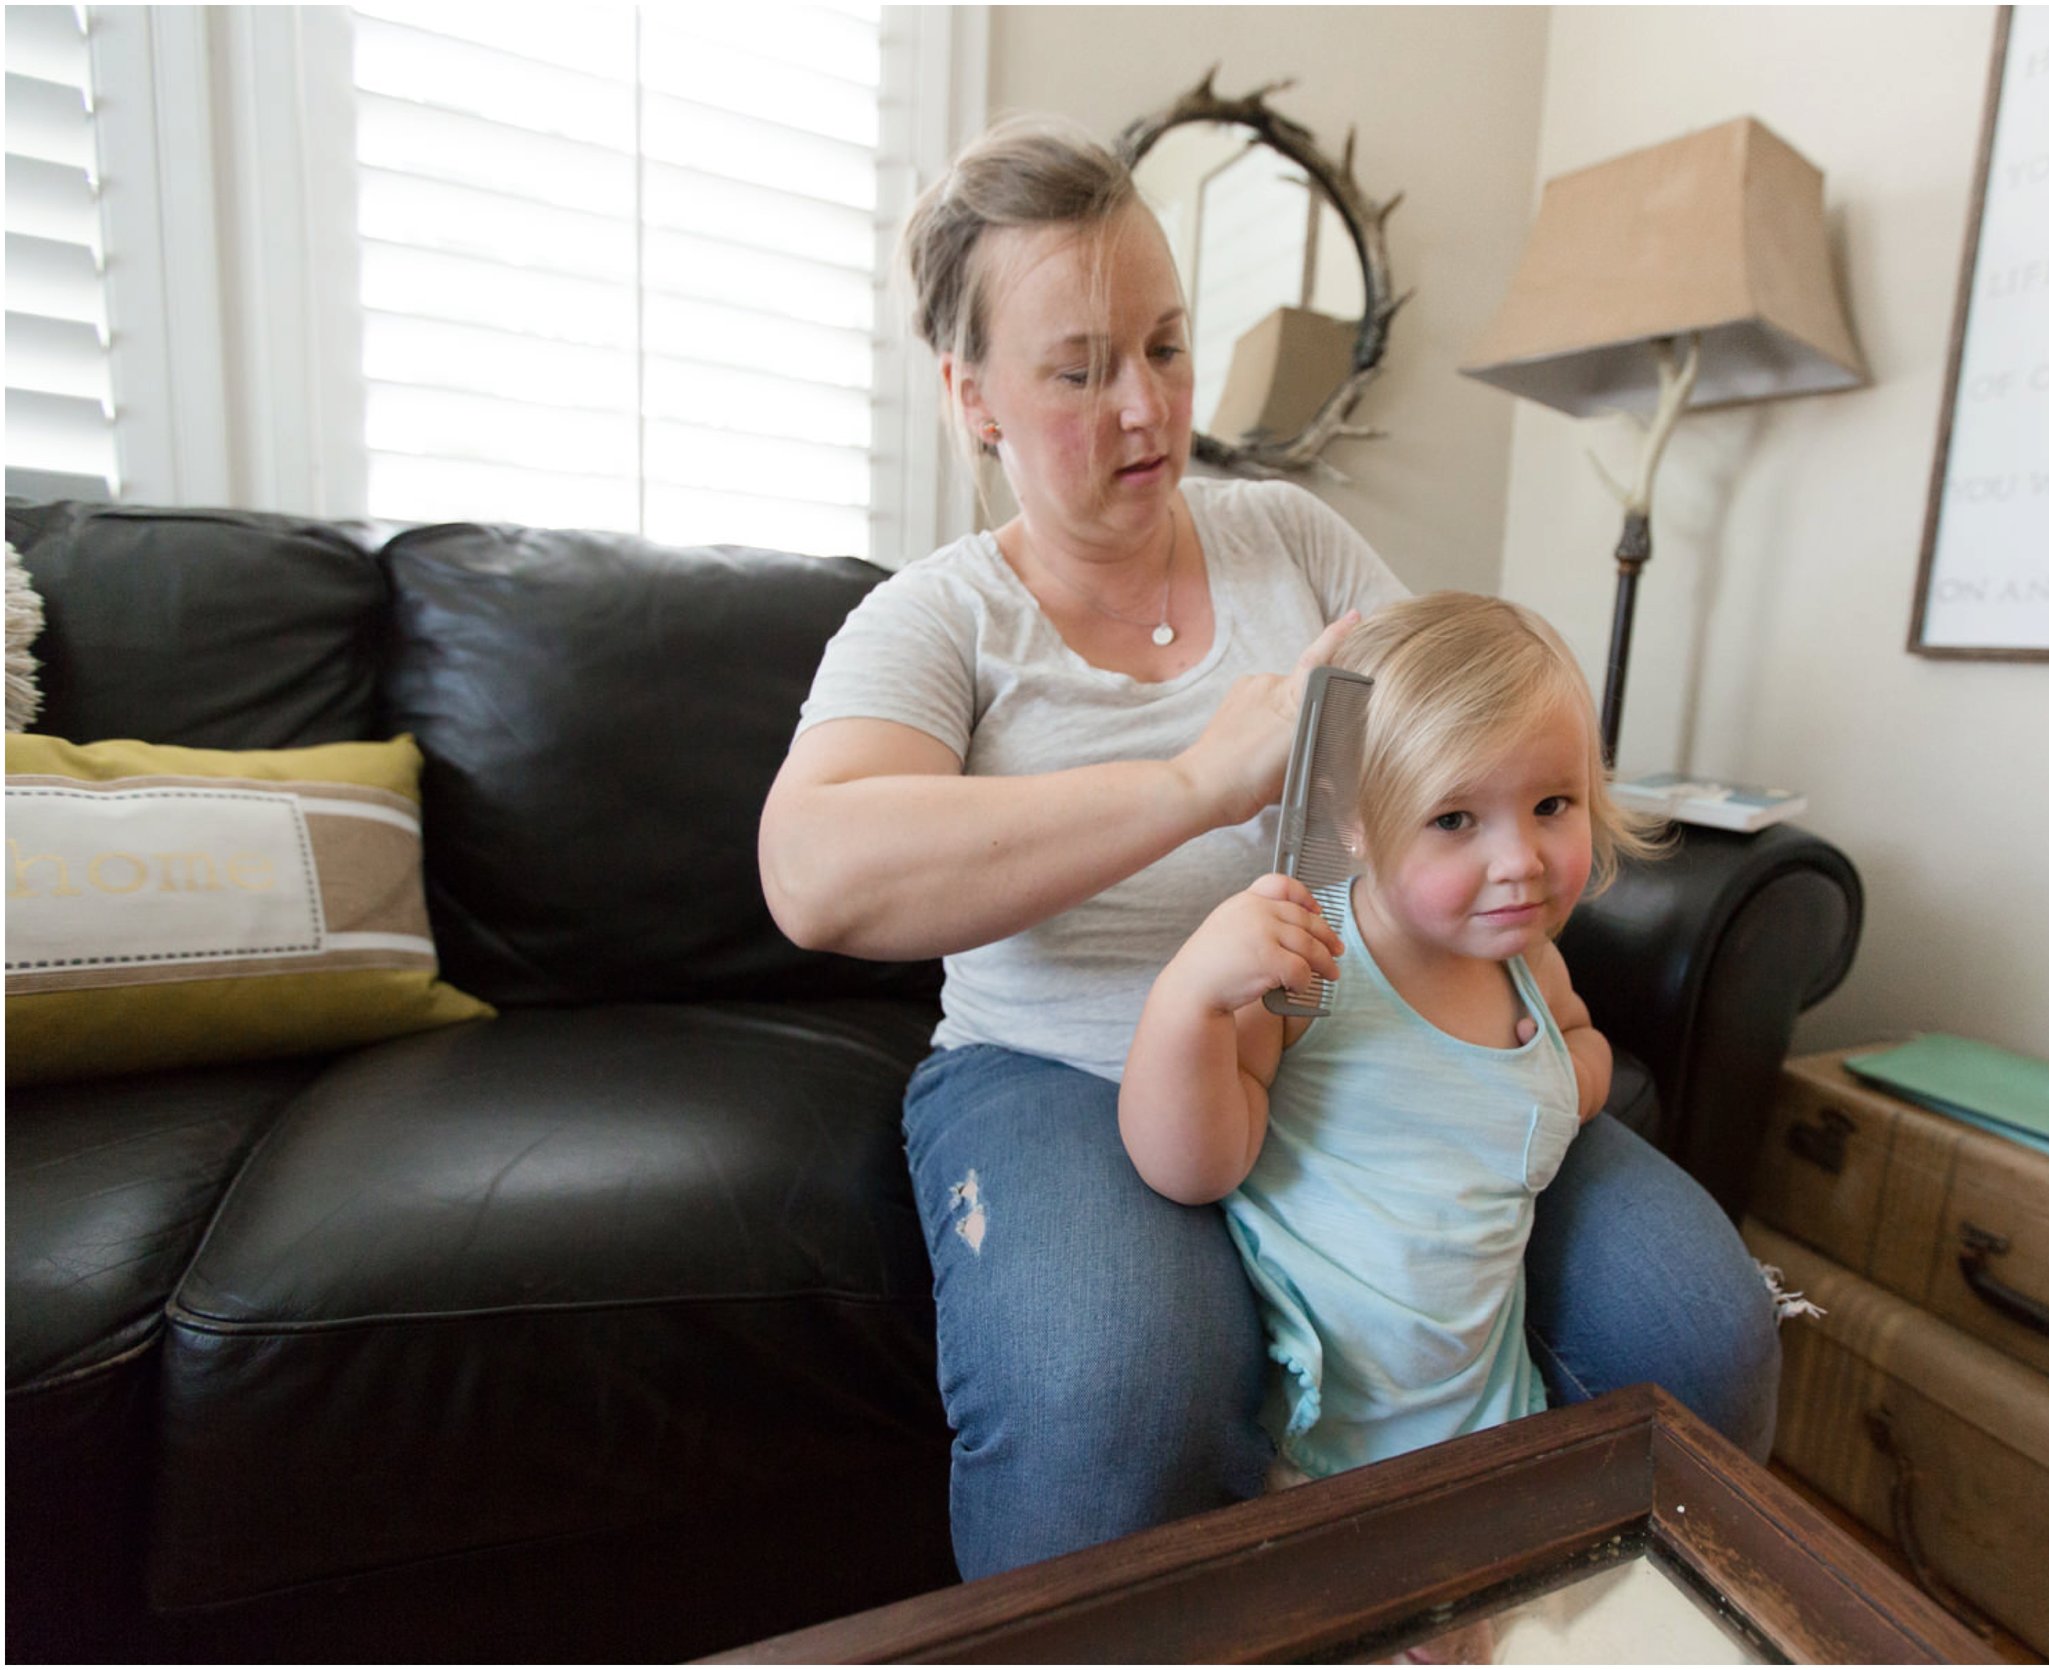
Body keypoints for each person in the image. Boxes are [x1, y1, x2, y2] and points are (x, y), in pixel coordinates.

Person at [757, 115, 1781, 1583]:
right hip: (1069, 1074)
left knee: (1704, 1325)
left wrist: (1534, 952)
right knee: (1121, 1392)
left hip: (1369, 1046)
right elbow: (815, 872)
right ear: (970, 395)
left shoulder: (1290, 541)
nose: (1145, 409)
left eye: (1167, 347)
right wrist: (1189, 780)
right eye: (1078, 368)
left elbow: (1470, 745)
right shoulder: (937, 620)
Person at [1119, 591, 1657, 1485]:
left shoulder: (1532, 967)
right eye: (1455, 820)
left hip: (1490, 1418)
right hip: (1319, 1443)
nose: (1520, 859)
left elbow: (1574, 1045)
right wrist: (1189, 1003)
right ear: (1356, 823)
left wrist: (1571, 1080)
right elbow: (1193, 1165)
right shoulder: (1309, 961)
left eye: (1553, 805)